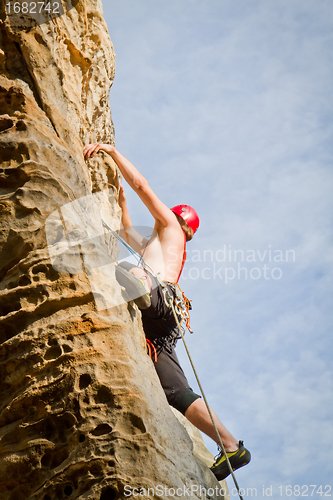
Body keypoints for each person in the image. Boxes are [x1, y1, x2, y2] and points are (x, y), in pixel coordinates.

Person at [83, 143, 251, 481]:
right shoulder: (158, 244)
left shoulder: (171, 228)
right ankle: (232, 446)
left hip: (159, 301)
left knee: (123, 269)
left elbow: (142, 185)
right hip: (162, 328)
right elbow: (128, 230)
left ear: (176, 218)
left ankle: (139, 292)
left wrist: (112, 151)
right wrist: (121, 199)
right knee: (176, 393)